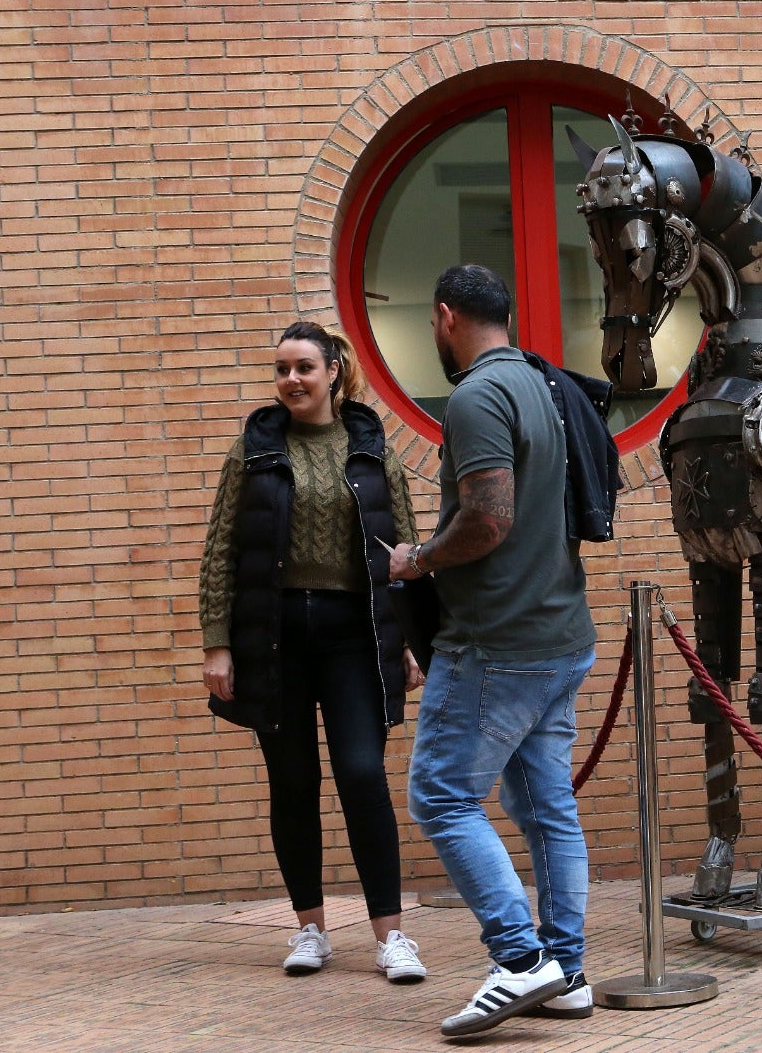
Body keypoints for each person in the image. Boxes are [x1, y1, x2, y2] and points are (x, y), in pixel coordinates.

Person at [389, 264, 599, 1038]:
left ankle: (520, 961)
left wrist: (417, 560)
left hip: (496, 643)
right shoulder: (542, 386)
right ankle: (568, 972)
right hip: (559, 635)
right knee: (547, 808)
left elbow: (487, 520)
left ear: (445, 317)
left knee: (441, 796)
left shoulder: (478, 395)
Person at [199, 320, 429, 984]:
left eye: (303, 367)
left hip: (352, 633)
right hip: (273, 635)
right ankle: (310, 930)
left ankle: (391, 938)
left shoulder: (372, 446)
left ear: (333, 371)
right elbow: (220, 549)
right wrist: (217, 644)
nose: (291, 380)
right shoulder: (254, 448)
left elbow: (405, 549)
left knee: (361, 772)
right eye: (281, 369)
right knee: (293, 781)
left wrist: (411, 639)